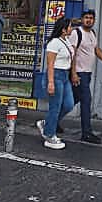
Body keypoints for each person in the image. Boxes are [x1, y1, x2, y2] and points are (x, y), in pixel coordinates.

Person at [69, 9, 102, 144]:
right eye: (86, 17)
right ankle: (86, 133)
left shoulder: (92, 34)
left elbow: (96, 50)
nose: (89, 20)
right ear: (82, 19)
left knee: (72, 100)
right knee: (86, 101)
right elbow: (72, 54)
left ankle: (51, 122)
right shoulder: (76, 33)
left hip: (87, 73)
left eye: (91, 18)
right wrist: (74, 73)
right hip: (79, 73)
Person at [37, 17, 75, 150]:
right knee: (55, 106)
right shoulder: (54, 43)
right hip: (56, 75)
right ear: (64, 29)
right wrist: (51, 82)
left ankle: (47, 124)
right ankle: (49, 135)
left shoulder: (66, 41)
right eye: (70, 26)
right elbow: (50, 64)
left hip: (65, 75)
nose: (72, 28)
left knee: (69, 104)